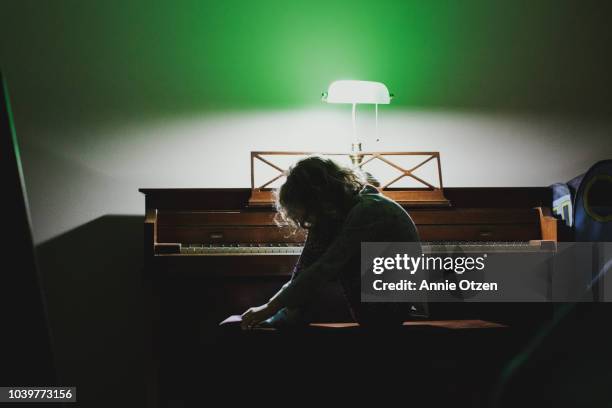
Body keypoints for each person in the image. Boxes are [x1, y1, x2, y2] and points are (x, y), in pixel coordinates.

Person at [240, 155, 421, 330]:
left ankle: (291, 321)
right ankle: (289, 318)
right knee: (311, 265)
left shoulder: (370, 209)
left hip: (387, 312)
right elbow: (306, 268)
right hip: (368, 300)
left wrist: (270, 307)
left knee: (316, 275)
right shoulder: (340, 208)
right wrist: (274, 308)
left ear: (320, 196)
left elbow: (324, 268)